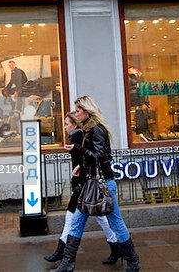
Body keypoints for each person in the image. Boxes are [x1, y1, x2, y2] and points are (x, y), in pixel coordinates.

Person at [53, 96, 141, 272]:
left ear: (87, 111)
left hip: (103, 185)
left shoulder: (96, 130)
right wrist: (80, 167)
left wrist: (78, 149)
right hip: (90, 183)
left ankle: (133, 261)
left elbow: (100, 157)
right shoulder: (87, 129)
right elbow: (91, 157)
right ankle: (68, 263)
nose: (76, 114)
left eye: (78, 111)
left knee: (116, 223)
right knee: (77, 221)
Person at [44, 112, 121, 265]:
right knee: (94, 218)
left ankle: (64, 254)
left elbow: (88, 159)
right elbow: (81, 161)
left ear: (74, 124)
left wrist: (78, 179)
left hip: (85, 184)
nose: (64, 127)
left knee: (80, 219)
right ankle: (116, 248)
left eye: (67, 124)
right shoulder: (77, 136)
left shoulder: (79, 136)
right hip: (82, 182)